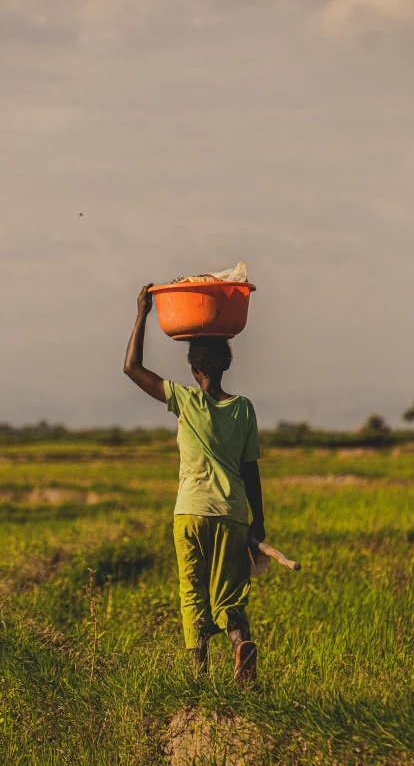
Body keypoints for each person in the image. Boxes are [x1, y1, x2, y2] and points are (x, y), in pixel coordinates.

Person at [123, 284, 266, 681]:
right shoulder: (244, 408)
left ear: (194, 370)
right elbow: (250, 470)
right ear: (225, 366)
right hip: (233, 515)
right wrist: (258, 523)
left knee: (193, 593)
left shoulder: (186, 400)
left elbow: (132, 369)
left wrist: (142, 313)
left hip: (190, 512)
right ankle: (240, 645)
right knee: (228, 594)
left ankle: (198, 676)